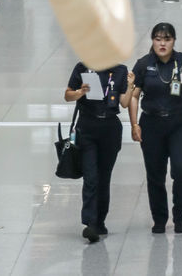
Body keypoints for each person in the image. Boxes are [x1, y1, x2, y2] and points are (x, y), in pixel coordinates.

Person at [129, 23, 182, 234]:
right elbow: (133, 96)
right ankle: (159, 219)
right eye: (158, 39)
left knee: (181, 169)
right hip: (151, 124)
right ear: (152, 40)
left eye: (167, 39)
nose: (162, 43)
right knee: (155, 174)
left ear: (174, 41)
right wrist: (135, 124)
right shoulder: (143, 65)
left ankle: (179, 216)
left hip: (180, 123)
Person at [64, 60, 134, 242]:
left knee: (104, 177)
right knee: (91, 177)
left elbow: (124, 103)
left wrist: (131, 86)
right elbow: (67, 95)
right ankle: (90, 223)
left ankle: (100, 221)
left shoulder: (120, 70)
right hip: (87, 127)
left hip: (110, 128)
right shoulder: (82, 67)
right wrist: (80, 92)